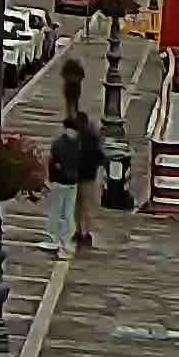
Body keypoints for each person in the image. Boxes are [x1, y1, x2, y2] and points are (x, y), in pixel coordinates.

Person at [44, 103, 104, 254]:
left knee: (77, 206)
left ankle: (81, 232)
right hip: (85, 175)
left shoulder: (82, 139)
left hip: (81, 176)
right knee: (82, 206)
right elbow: (100, 156)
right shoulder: (88, 137)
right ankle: (82, 232)